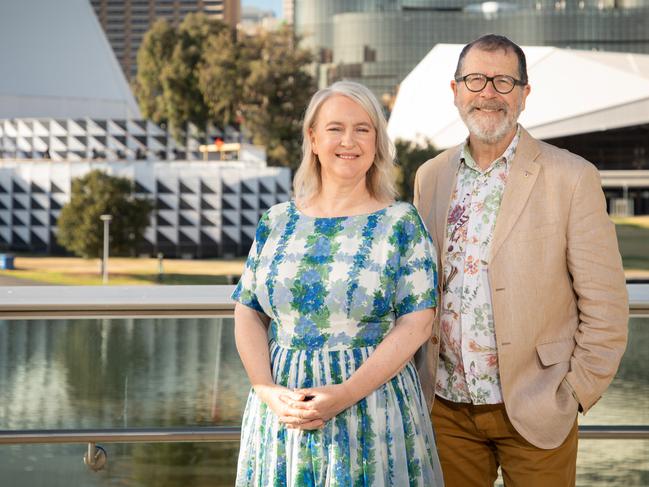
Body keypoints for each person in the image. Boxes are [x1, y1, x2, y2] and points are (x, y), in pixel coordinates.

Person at [413, 34, 628, 487]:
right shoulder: (430, 177)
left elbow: (606, 306)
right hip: (446, 411)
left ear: (524, 95)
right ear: (455, 91)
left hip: (537, 409)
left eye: (504, 81)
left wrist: (574, 392)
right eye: (475, 79)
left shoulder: (572, 177)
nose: (488, 91)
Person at [232, 80, 444, 486]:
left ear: (378, 142)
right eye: (335, 128)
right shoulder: (276, 221)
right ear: (312, 138)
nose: (349, 140)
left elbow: (418, 323)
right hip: (283, 416)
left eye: (363, 129)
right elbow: (247, 310)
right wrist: (265, 391)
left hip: (372, 409)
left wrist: (345, 394)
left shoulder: (400, 223)